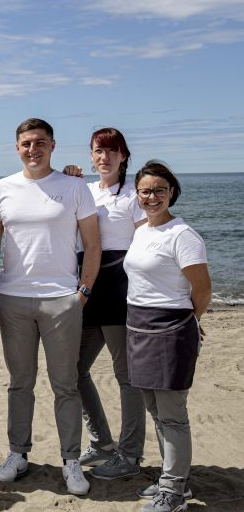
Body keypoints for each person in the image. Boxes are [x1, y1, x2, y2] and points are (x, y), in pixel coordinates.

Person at [0, 118, 101, 495]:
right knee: (20, 383)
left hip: (62, 301)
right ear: (16, 147)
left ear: (52, 146)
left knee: (64, 384)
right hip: (13, 300)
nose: (32, 149)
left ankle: (71, 461)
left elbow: (93, 244)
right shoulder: (2, 188)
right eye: (25, 144)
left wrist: (81, 293)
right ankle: (18, 453)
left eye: (39, 143)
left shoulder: (73, 186)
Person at [123, 161, 211, 512]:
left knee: (172, 414)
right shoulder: (141, 229)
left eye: (160, 189)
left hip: (171, 328)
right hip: (138, 326)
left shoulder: (183, 235)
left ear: (171, 191)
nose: (152, 196)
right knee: (155, 410)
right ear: (138, 194)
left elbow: (202, 289)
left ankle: (174, 492)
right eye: (145, 190)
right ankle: (173, 479)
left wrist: (189, 321)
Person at [63, 128, 148, 479]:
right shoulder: (81, 190)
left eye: (112, 151)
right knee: (73, 370)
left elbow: (148, 243)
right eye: (98, 150)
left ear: (124, 156)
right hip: (85, 285)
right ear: (90, 154)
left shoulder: (134, 194)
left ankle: (129, 456)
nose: (104, 157)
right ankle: (101, 442)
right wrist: (65, 178)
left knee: (126, 377)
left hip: (119, 287)